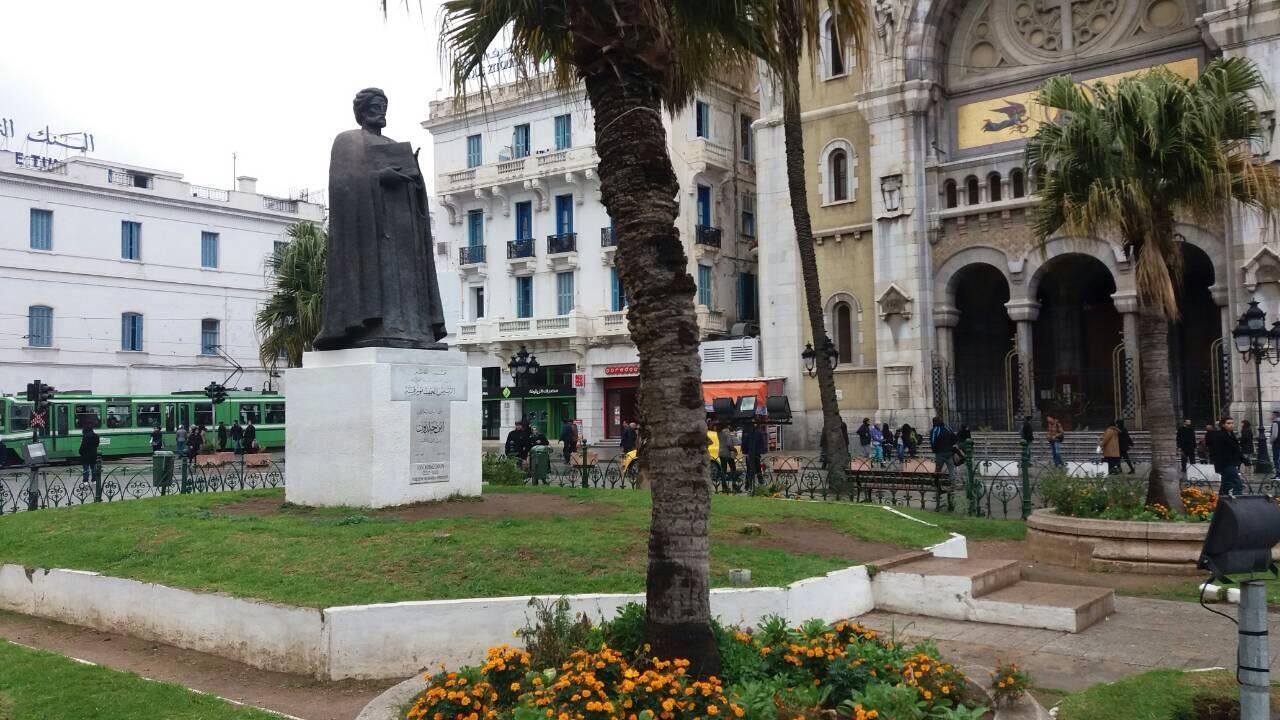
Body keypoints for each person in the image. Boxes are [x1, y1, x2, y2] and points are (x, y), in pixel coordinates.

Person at [1207, 416, 1244, 496]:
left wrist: (1243, 459)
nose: (1231, 425)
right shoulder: (1219, 435)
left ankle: (1220, 503)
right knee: (1237, 483)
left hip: (1231, 463)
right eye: (1228, 423)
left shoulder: (1231, 434)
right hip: (1225, 464)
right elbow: (1216, 451)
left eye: (1232, 423)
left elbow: (1236, 449)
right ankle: (1239, 502)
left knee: (1225, 485)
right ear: (1223, 425)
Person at [742, 420, 767, 491]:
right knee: (757, 469)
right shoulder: (758, 432)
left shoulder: (747, 432)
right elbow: (761, 444)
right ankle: (760, 484)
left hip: (750, 454)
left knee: (749, 470)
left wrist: (745, 451)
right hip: (755, 454)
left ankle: (748, 486)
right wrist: (761, 451)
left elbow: (744, 443)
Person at [1271, 411, 1280, 479]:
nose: (1271, 416)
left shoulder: (1275, 423)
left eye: (1272, 415)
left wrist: (1271, 441)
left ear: (1275, 415)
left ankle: (1278, 474)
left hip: (1277, 444)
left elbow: (1274, 435)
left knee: (1276, 459)